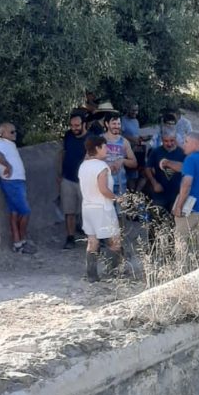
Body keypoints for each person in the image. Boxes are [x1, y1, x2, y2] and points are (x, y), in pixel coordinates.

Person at [78, 135, 124, 282]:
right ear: (97, 148)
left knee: (92, 241)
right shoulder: (102, 167)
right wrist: (118, 198)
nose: (107, 149)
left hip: (87, 207)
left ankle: (91, 274)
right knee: (115, 240)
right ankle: (115, 272)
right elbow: (103, 189)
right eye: (105, 147)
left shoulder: (83, 166)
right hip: (103, 208)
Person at [171, 131, 199, 269]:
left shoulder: (190, 159)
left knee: (181, 240)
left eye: (186, 142)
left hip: (191, 209)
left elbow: (187, 183)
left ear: (196, 144)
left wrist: (179, 205)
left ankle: (181, 272)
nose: (183, 145)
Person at [0, 122, 35, 254]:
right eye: (12, 132)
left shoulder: (8, 143)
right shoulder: (1, 144)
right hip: (12, 181)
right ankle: (22, 239)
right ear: (3, 133)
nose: (14, 134)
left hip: (15, 181)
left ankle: (17, 244)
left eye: (15, 131)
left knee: (14, 212)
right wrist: (8, 166)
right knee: (25, 211)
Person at [144, 131, 186, 252]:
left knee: (173, 222)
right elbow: (147, 168)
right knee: (154, 220)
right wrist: (154, 183)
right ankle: (152, 248)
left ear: (175, 140)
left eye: (171, 141)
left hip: (176, 193)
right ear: (162, 140)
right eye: (166, 141)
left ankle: (170, 249)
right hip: (159, 193)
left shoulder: (182, 152)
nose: (169, 143)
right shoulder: (156, 151)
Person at [57, 113, 87, 249]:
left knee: (88, 210)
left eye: (77, 125)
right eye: (72, 125)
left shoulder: (90, 139)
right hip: (68, 178)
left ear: (84, 125)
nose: (74, 128)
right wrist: (60, 173)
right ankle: (70, 237)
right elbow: (63, 153)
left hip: (84, 180)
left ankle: (95, 237)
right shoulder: (68, 135)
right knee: (69, 210)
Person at [100, 111, 138, 197]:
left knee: (120, 210)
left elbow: (134, 163)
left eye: (118, 124)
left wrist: (122, 161)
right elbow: (88, 159)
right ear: (106, 124)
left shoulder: (124, 142)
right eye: (114, 124)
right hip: (103, 185)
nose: (117, 126)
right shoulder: (99, 140)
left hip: (120, 186)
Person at [120, 100, 149, 191]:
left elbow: (135, 135)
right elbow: (119, 135)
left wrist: (142, 138)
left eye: (136, 110)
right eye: (133, 110)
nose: (135, 112)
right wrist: (133, 139)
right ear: (127, 109)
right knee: (131, 175)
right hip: (127, 151)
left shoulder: (136, 121)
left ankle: (136, 194)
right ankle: (132, 198)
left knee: (144, 173)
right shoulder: (122, 120)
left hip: (138, 149)